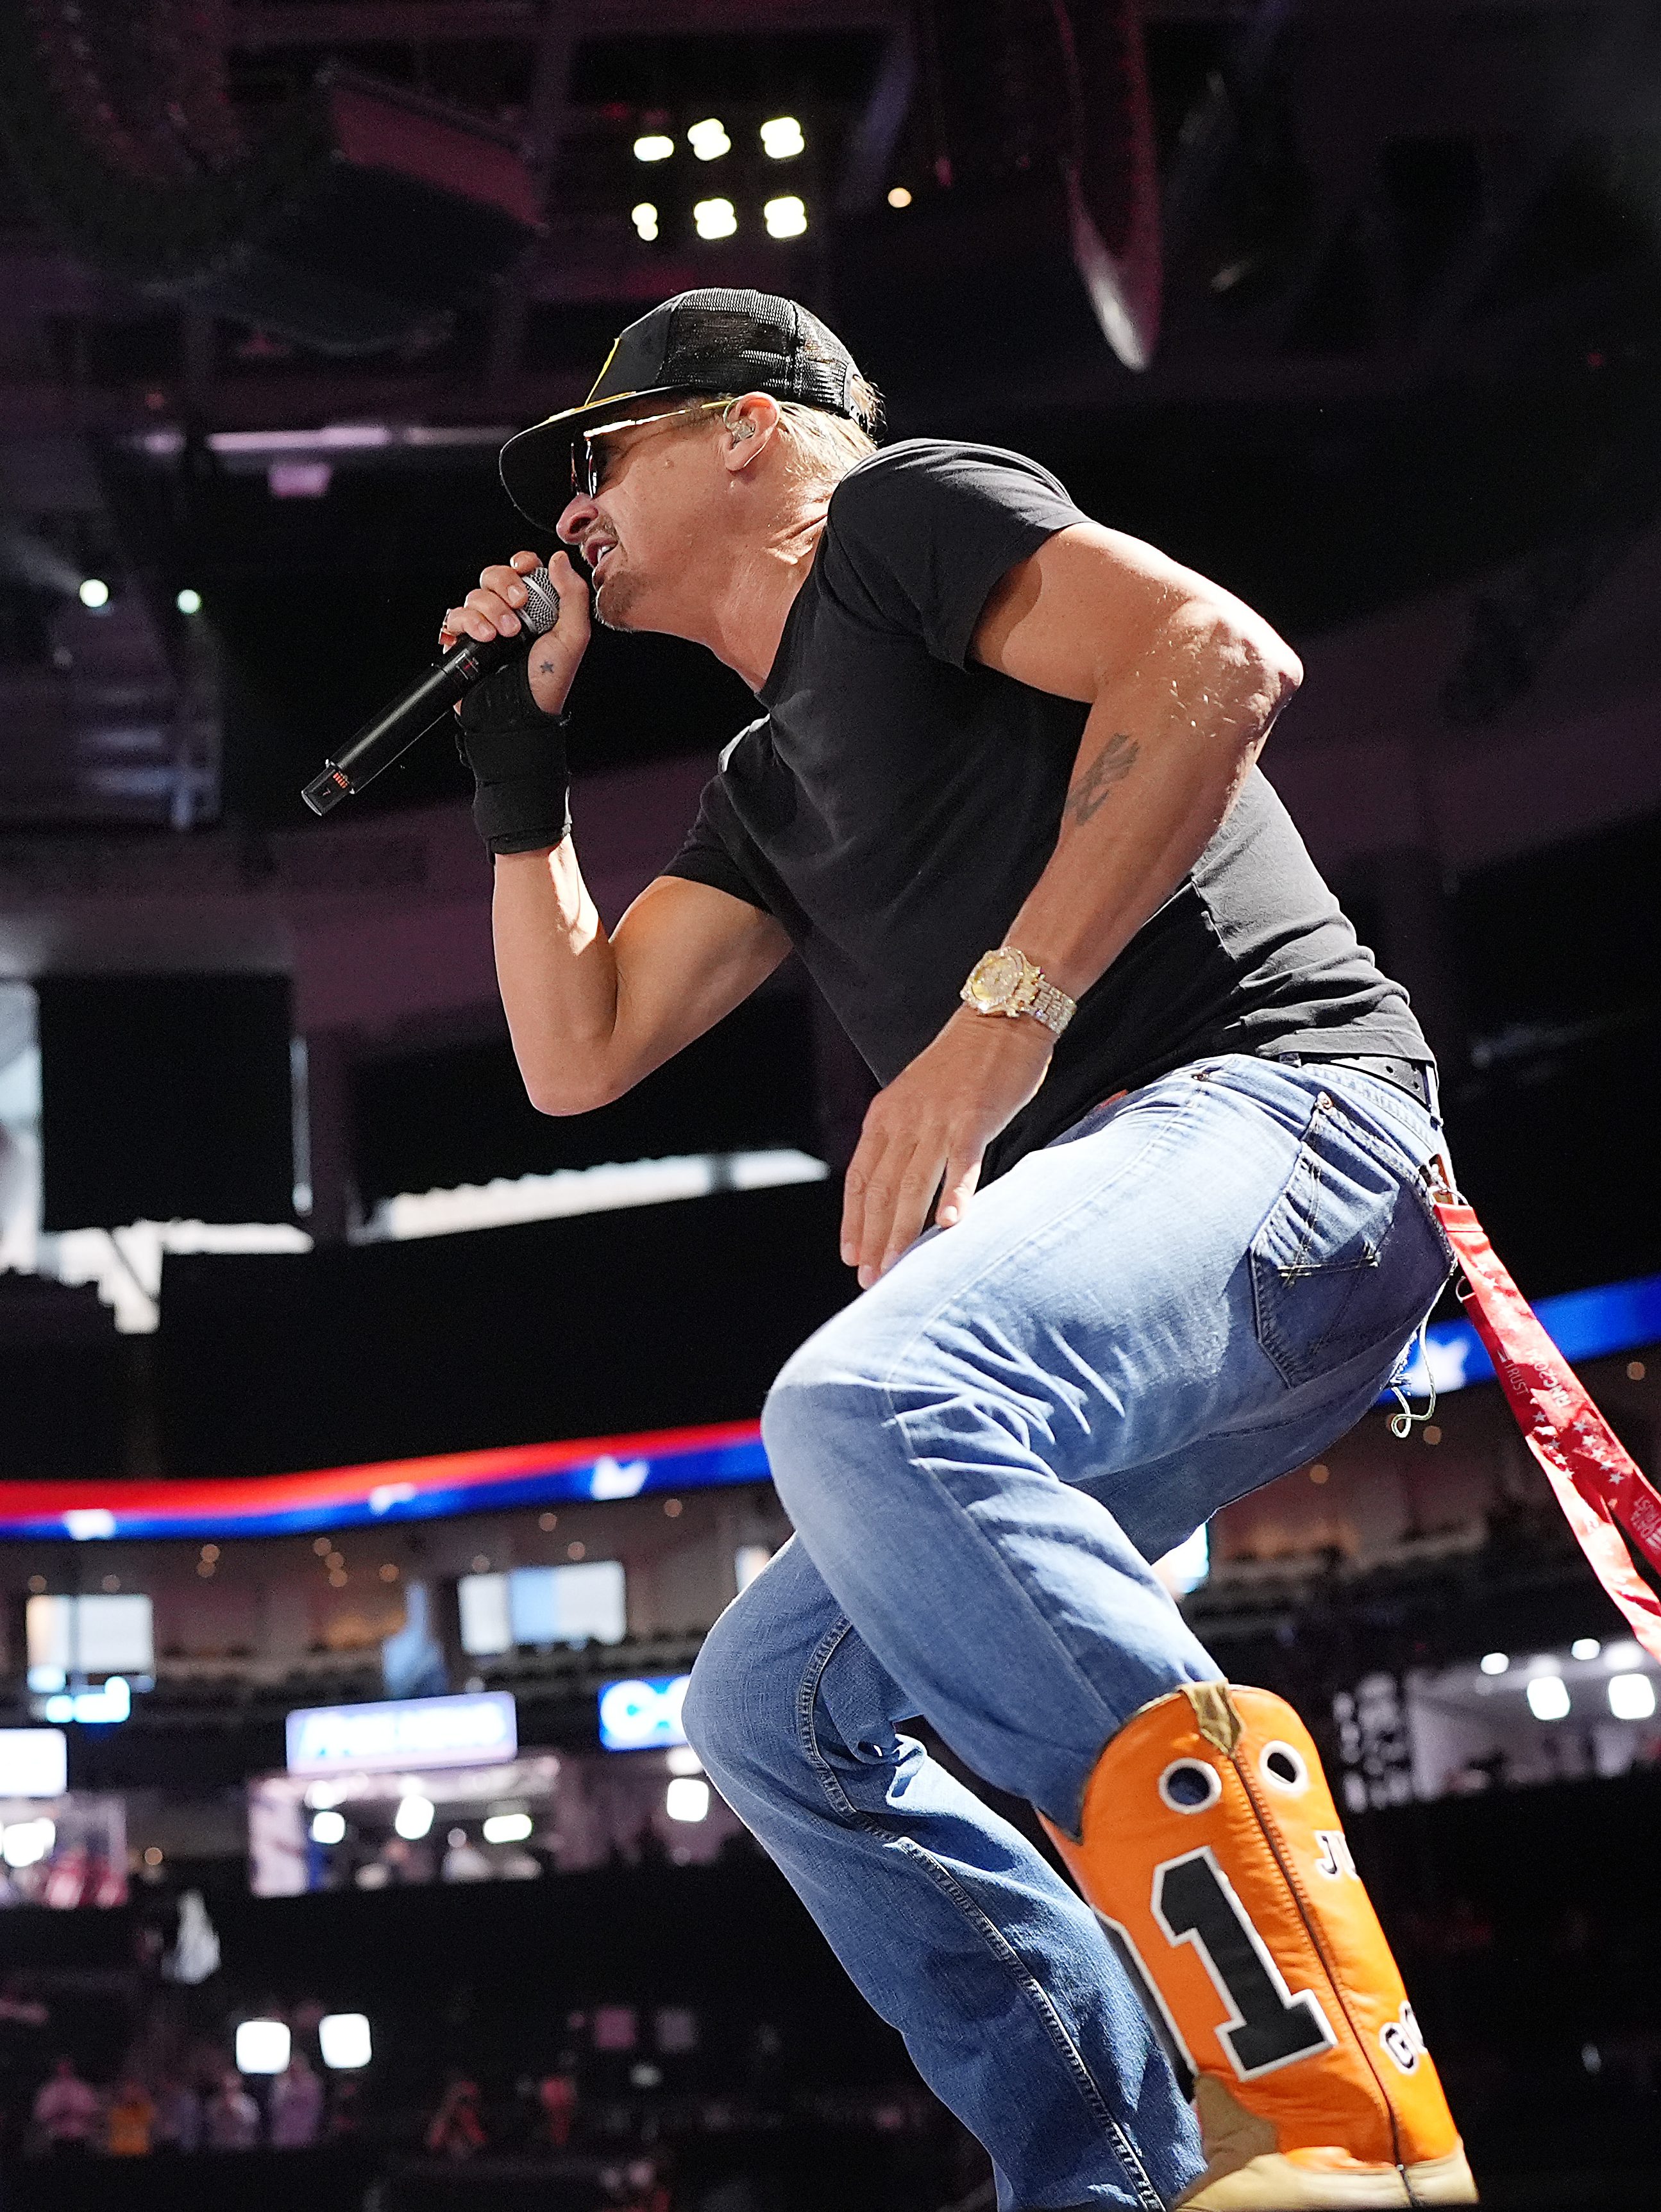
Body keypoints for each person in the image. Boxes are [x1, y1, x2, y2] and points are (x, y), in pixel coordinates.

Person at [448, 289, 1476, 2209]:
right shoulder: (762, 786)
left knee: (868, 1393)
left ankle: (1320, 2086)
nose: (573, 504)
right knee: (762, 1714)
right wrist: (517, 770)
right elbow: (572, 1052)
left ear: (744, 427)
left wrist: (996, 1017)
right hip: (1155, 1234)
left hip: (1284, 1117)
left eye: (606, 454)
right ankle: (1102, 2175)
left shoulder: (897, 521)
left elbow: (1208, 653)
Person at [31, 2054, 99, 2156]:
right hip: (56, 2138)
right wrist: (57, 2114)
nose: (64, 2070)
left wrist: (76, 2113)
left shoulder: (82, 2089)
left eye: (66, 2067)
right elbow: (40, 2115)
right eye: (61, 2066)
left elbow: (93, 2112)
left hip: (79, 2137)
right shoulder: (48, 2090)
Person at [269, 2048, 324, 2147]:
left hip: (305, 2126)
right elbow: (276, 2106)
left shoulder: (312, 2084)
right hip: (285, 2127)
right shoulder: (282, 2084)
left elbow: (316, 2106)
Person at [104, 2075, 155, 2157]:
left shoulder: (145, 2109)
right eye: (128, 2090)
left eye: (134, 2089)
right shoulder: (115, 2110)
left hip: (140, 2152)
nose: (131, 2093)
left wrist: (142, 2100)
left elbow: (152, 2120)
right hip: (119, 2152)